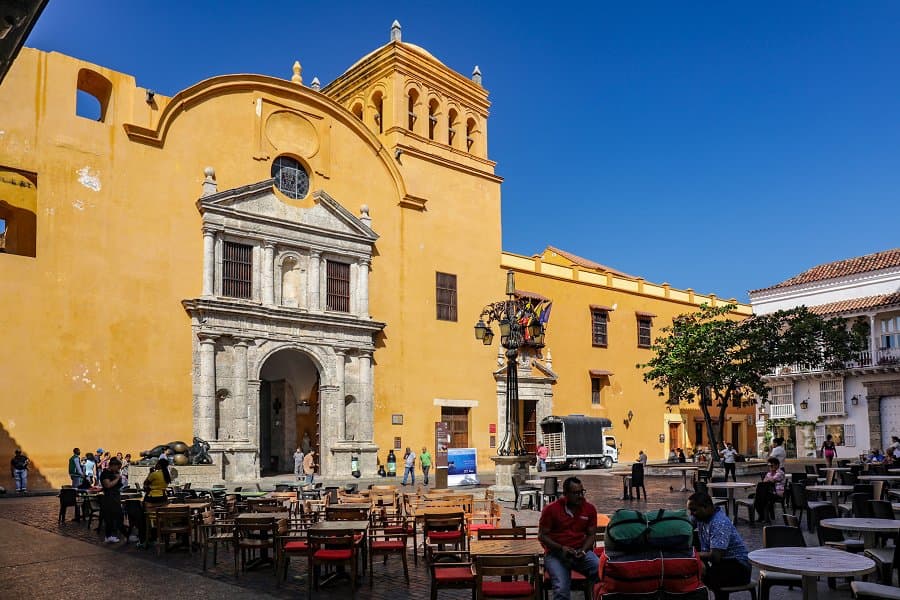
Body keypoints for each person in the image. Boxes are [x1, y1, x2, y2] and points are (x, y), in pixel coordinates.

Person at [538, 476, 599, 600]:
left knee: (603, 571)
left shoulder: (589, 509)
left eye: (582, 492)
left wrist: (583, 550)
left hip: (580, 552)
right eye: (576, 493)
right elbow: (542, 536)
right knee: (561, 589)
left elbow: (591, 535)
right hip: (556, 554)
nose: (580, 496)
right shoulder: (551, 510)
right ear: (565, 494)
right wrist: (561, 548)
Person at [687, 491, 751, 600]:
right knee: (694, 571)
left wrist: (692, 555)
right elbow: (686, 526)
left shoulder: (719, 522)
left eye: (694, 510)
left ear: (706, 507)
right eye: (690, 510)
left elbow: (715, 556)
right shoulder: (701, 517)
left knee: (697, 576)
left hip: (739, 567)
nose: (691, 514)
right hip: (722, 564)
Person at [99, 457, 126, 543]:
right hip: (109, 498)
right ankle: (109, 536)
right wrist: (117, 478)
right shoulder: (105, 473)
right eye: (117, 467)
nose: (118, 469)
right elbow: (108, 485)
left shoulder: (115, 473)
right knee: (110, 518)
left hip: (115, 496)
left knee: (119, 516)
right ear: (113, 465)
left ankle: (126, 535)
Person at [754, 457, 786, 523]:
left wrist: (770, 474)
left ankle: (764, 517)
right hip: (769, 492)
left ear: (777, 465)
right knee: (755, 497)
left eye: (772, 465)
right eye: (769, 466)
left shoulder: (780, 472)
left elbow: (772, 480)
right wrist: (769, 476)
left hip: (778, 493)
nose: (770, 467)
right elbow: (764, 481)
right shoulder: (769, 473)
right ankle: (762, 516)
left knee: (761, 498)